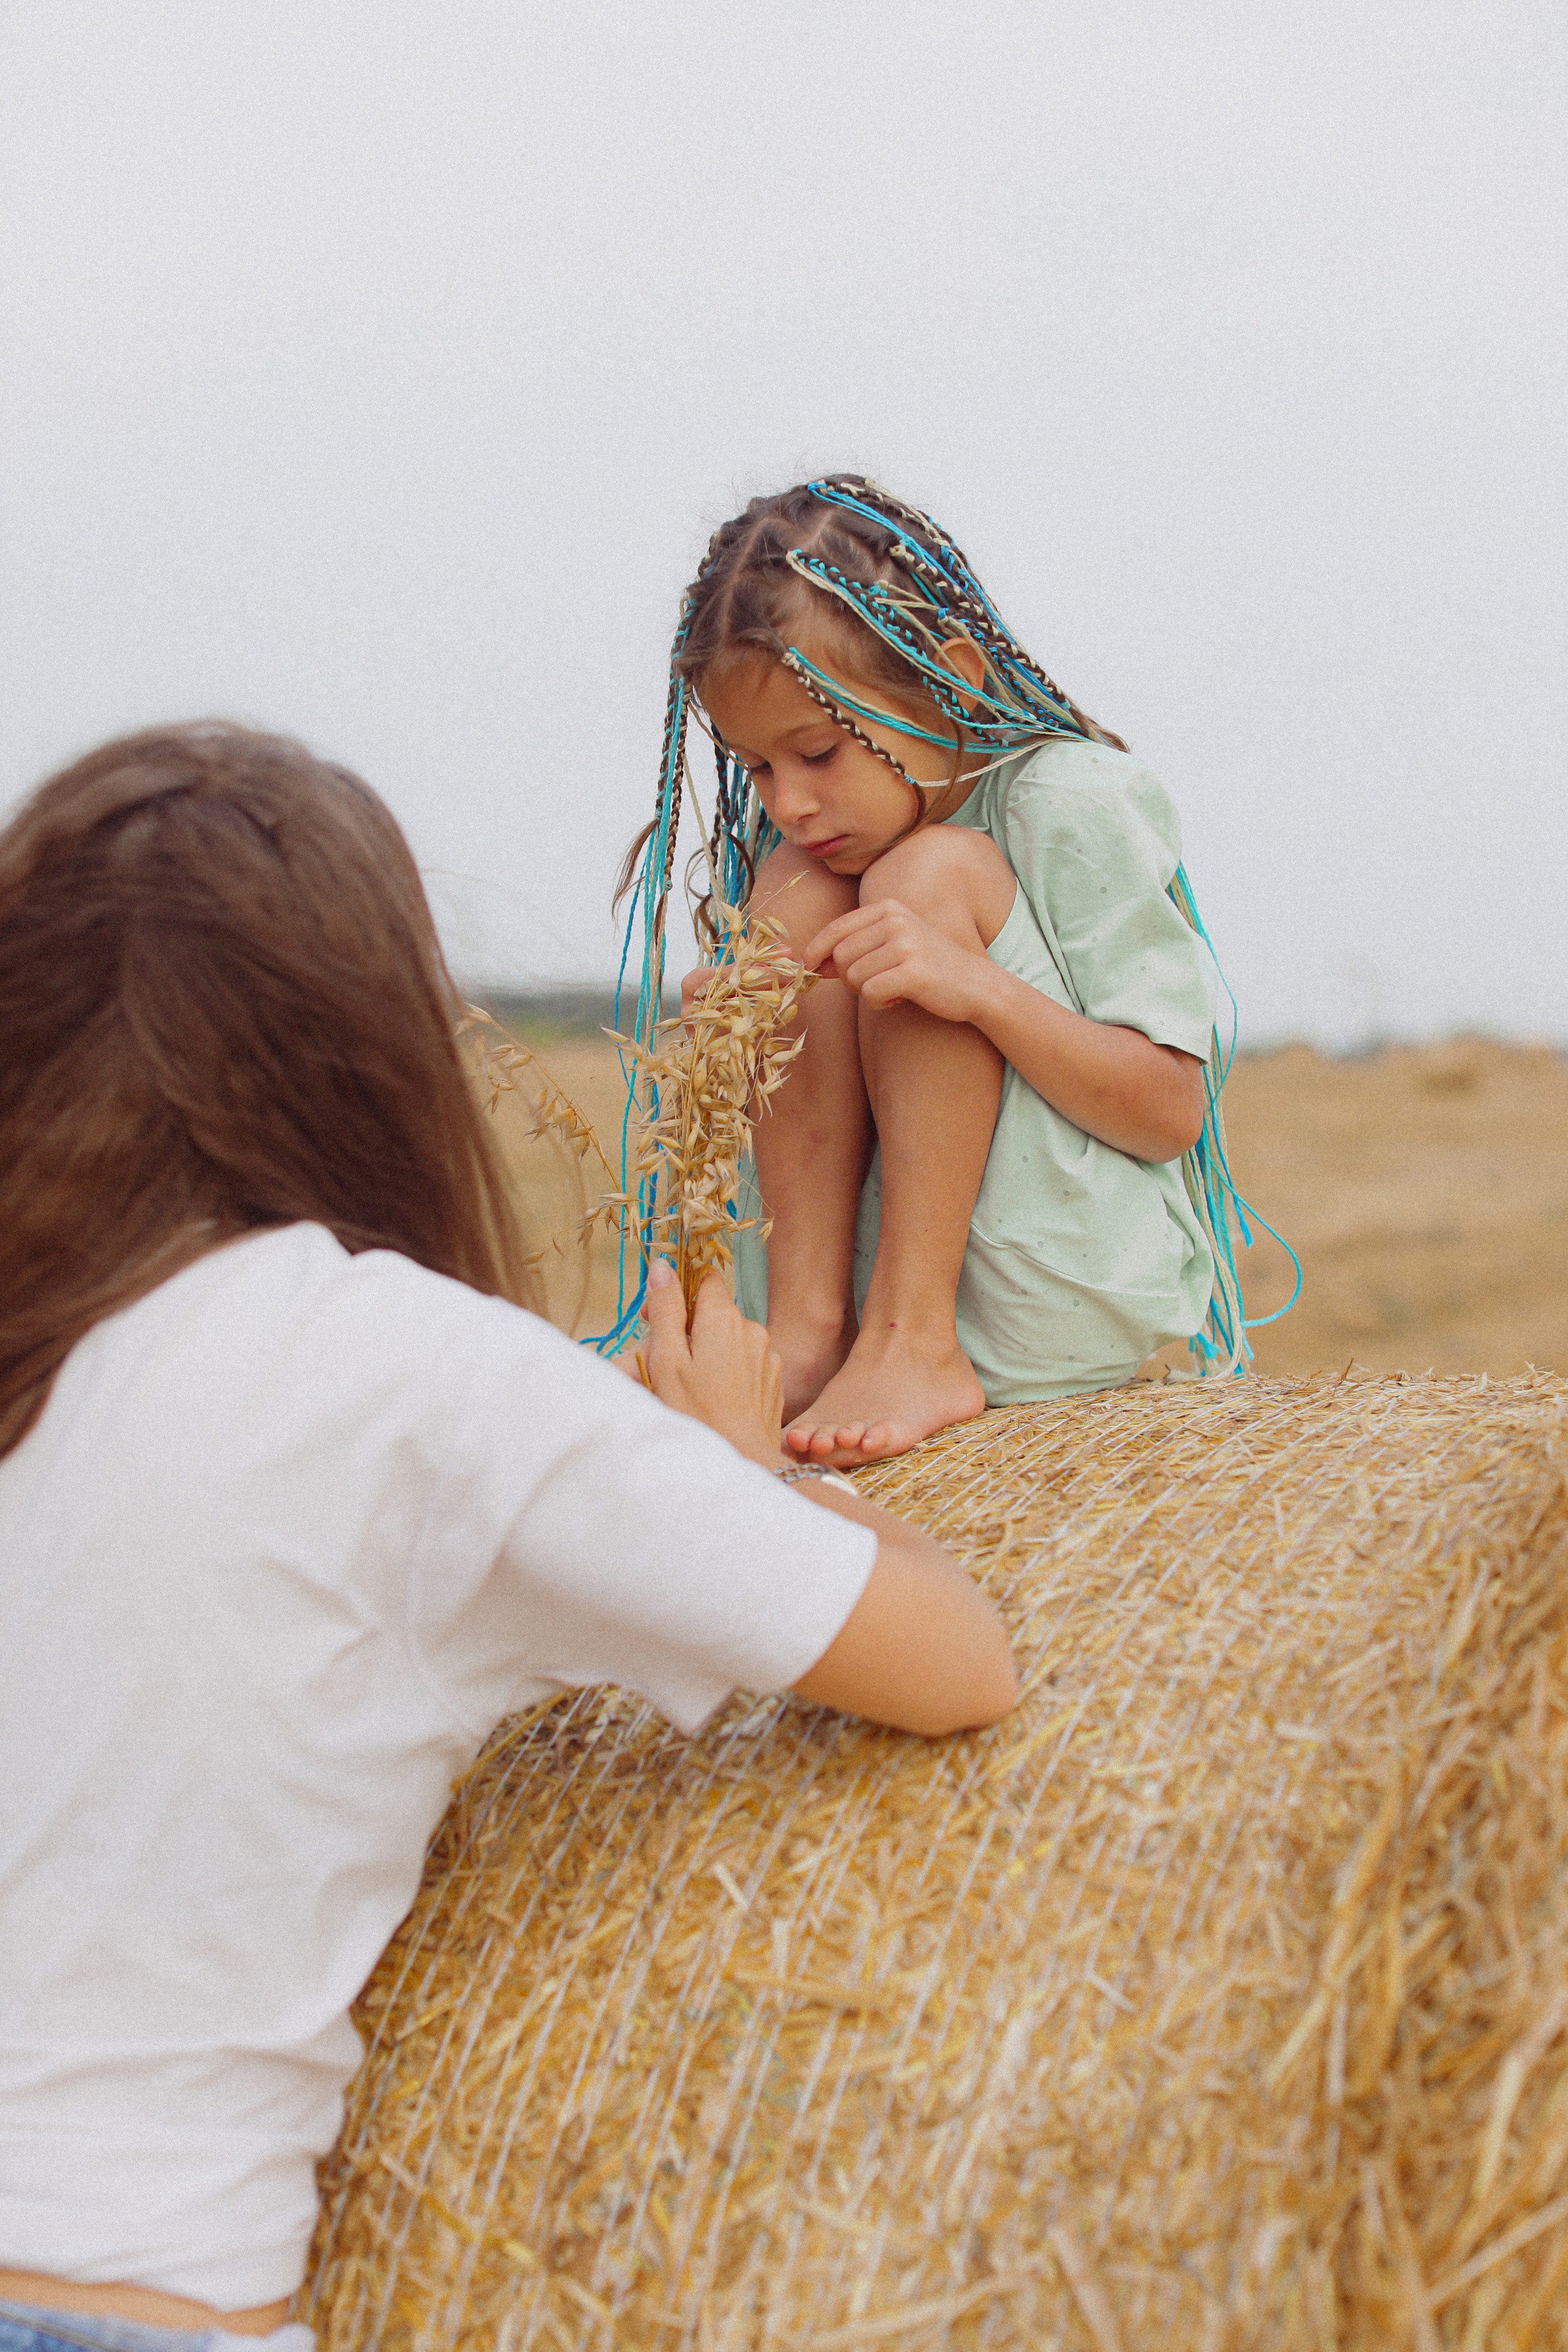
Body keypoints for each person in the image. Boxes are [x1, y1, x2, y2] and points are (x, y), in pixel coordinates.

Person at [0, 725, 1016, 2352]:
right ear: (364, 1035)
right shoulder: (406, 1375)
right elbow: (957, 1661)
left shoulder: (37, 1344)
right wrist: (754, 1469)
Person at [646, 475, 1223, 1466]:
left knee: (926, 875)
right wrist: (735, 1038)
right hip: (843, 1315)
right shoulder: (806, 861)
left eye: (820, 751)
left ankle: (919, 1339)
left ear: (951, 677)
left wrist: (982, 990)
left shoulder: (1071, 801)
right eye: (757, 768)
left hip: (1043, 1288)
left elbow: (1171, 1110)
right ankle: (805, 1333)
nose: (787, 802)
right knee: (796, 898)